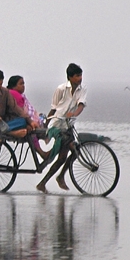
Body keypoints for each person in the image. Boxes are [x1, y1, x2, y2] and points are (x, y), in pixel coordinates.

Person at [36, 63, 87, 193]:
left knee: (72, 154)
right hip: (56, 125)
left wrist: (74, 114)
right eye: (77, 76)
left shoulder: (82, 90)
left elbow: (81, 105)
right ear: (70, 77)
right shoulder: (61, 89)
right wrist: (46, 126)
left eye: (80, 75)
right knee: (68, 152)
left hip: (68, 125)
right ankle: (57, 178)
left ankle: (51, 179)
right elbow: (53, 108)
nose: (80, 78)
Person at [6, 75, 47, 157]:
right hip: (16, 121)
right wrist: (29, 122)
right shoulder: (15, 94)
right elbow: (21, 111)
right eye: (21, 84)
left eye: (23, 83)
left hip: (17, 119)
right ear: (13, 86)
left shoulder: (17, 94)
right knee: (32, 130)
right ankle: (41, 152)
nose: (23, 86)